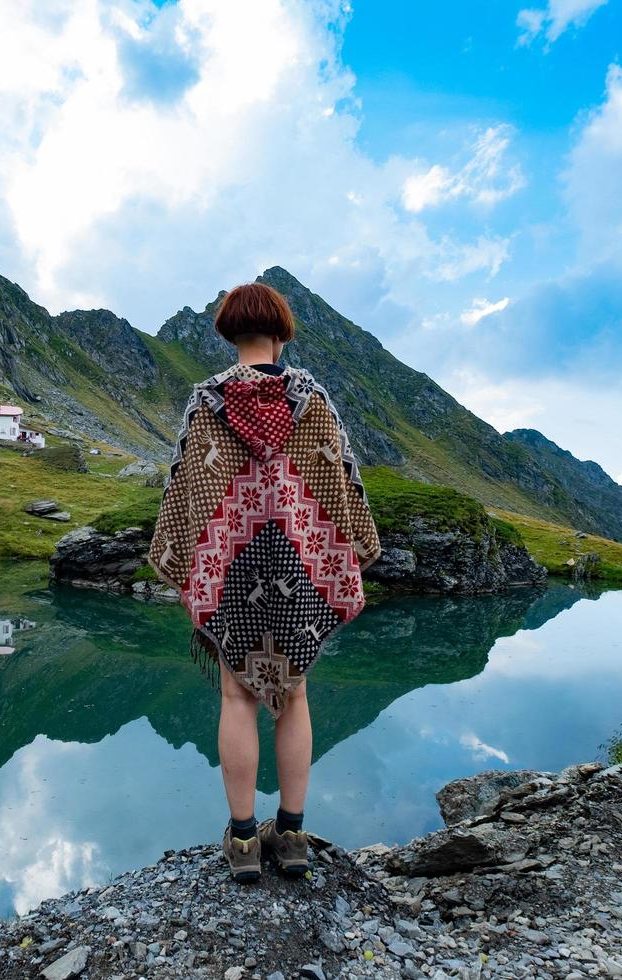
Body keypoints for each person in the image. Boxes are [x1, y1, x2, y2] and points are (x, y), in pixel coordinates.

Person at [147, 282, 381, 883]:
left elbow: (188, 500)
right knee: (295, 696)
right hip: (300, 574)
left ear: (229, 333)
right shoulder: (313, 402)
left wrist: (198, 558)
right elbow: (338, 490)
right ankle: (295, 834)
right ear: (282, 332)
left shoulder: (207, 404)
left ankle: (246, 839)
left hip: (233, 575)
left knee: (235, 697)